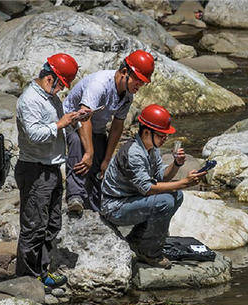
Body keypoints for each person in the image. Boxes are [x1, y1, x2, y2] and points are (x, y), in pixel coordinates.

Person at [100, 104, 207, 269]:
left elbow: (161, 177)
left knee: (176, 195)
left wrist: (177, 164)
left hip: (133, 199)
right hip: (115, 206)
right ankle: (150, 253)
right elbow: (148, 188)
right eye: (161, 135)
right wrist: (184, 183)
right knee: (165, 201)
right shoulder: (134, 153)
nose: (165, 138)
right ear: (146, 132)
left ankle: (138, 240)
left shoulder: (151, 149)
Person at [15, 53, 84, 292]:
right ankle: (26, 280)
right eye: (60, 84)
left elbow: (58, 124)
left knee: (52, 224)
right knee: (33, 226)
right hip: (34, 169)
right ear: (50, 77)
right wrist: (61, 124)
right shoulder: (29, 100)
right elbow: (34, 134)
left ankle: (42, 271)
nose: (61, 89)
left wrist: (73, 120)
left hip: (52, 167)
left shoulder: (51, 98)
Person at [63, 49, 155, 214]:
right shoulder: (99, 85)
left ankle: (95, 203)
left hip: (96, 128)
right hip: (72, 123)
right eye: (138, 80)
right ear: (125, 72)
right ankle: (74, 195)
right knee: (79, 146)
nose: (139, 86)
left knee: (100, 164)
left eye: (143, 83)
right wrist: (89, 152)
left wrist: (107, 158)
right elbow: (84, 118)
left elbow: (117, 126)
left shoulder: (127, 96)